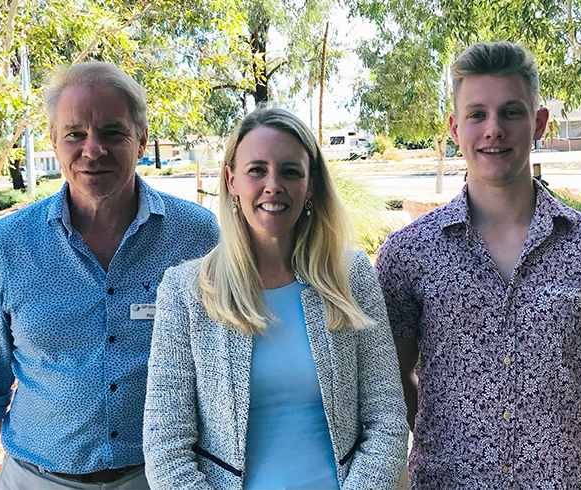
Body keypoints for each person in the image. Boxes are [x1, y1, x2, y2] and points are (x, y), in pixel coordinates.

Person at [375, 41, 581, 490]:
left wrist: (558, 447)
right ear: (454, 127)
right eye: (477, 115)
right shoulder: (408, 256)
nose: (494, 130)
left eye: (511, 112)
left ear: (539, 123)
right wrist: (446, 439)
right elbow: (393, 380)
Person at [0, 62, 220, 490]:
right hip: (37, 479)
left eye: (112, 132)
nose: (93, 150)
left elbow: (226, 371)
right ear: (54, 142)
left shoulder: (196, 235)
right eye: (75, 133)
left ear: (142, 139)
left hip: (160, 478)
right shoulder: (10, 242)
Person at [143, 108, 408, 489]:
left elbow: (387, 420)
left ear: (311, 183)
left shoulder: (349, 275)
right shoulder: (188, 291)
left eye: (290, 171)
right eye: (257, 170)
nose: (273, 185)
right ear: (231, 180)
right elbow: (166, 449)